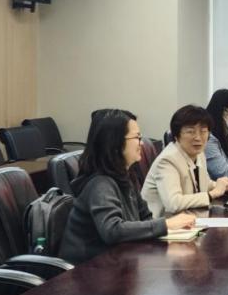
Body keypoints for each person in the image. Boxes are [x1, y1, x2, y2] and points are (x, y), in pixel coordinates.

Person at [60, 109, 194, 264]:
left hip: (118, 261)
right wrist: (167, 224)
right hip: (88, 270)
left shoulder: (125, 176)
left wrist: (173, 231)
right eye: (137, 137)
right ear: (115, 143)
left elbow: (145, 217)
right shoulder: (100, 183)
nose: (141, 143)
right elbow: (112, 230)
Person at [141, 105, 228, 217]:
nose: (198, 137)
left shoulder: (199, 154)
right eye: (190, 132)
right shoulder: (168, 160)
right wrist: (212, 194)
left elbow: (203, 184)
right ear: (176, 136)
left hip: (189, 219)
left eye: (203, 131)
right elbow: (173, 203)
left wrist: (225, 187)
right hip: (162, 223)